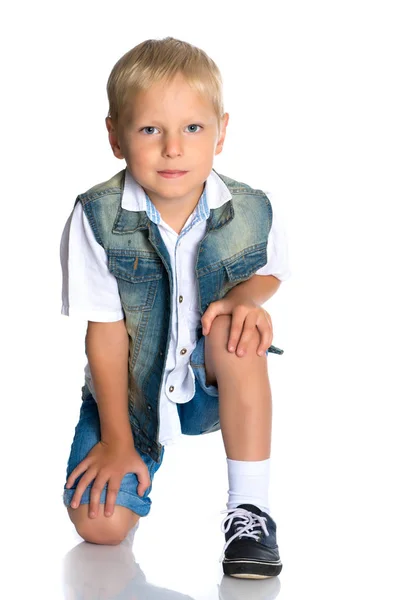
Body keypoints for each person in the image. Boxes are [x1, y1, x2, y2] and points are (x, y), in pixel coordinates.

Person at [60, 36, 291, 580]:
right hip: (134, 387)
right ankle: (134, 458)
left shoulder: (250, 207)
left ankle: (250, 510)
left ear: (222, 132)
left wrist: (244, 300)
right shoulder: (96, 217)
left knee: (240, 331)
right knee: (100, 525)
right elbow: (106, 335)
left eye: (192, 128)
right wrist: (116, 440)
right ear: (115, 136)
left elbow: (272, 270)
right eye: (149, 130)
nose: (173, 148)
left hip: (211, 374)